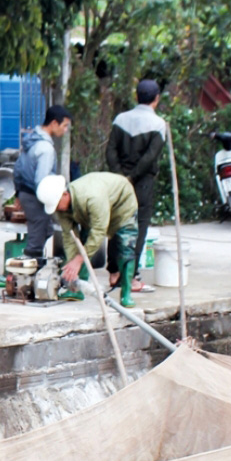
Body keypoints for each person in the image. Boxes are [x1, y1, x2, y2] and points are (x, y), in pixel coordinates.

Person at [36, 172, 140, 307]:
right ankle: (77, 288)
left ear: (65, 194)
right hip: (92, 211)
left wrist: (78, 260)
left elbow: (98, 231)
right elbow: (69, 236)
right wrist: (72, 266)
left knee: (126, 248)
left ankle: (126, 293)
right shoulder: (61, 207)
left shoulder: (93, 197)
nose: (56, 209)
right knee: (83, 243)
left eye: (57, 204)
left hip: (122, 205)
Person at [105, 78, 165, 293]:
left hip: (118, 181)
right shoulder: (158, 124)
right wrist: (132, 177)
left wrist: (120, 175)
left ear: (136, 96)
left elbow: (110, 151)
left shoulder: (120, 119)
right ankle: (129, 275)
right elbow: (150, 157)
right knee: (138, 227)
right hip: (142, 183)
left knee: (116, 221)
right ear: (156, 99)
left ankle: (114, 271)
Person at [12, 105, 71, 257]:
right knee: (37, 240)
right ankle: (27, 266)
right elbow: (42, 182)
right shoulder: (46, 149)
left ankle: (31, 262)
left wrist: (18, 193)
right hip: (35, 196)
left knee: (47, 229)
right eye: (64, 126)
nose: (65, 130)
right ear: (54, 123)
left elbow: (17, 168)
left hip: (25, 192)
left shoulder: (31, 140)